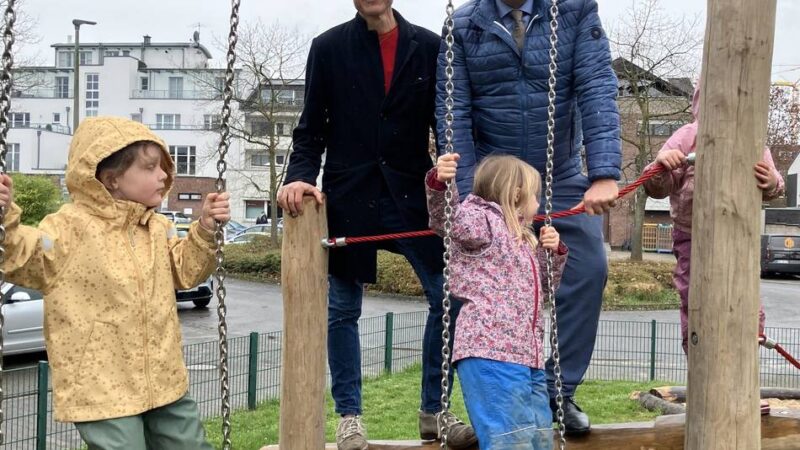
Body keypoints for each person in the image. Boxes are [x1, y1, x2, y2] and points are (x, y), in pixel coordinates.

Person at [277, 1, 476, 448]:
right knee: (343, 311)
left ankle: (435, 410)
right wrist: (299, 177)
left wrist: (458, 185)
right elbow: (310, 130)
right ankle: (350, 417)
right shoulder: (328, 48)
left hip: (413, 195)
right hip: (351, 196)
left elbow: (447, 126)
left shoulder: (429, 46)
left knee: (449, 296)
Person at [438, 0, 622, 434]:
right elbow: (454, 112)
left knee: (587, 267)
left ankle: (561, 388)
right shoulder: (464, 24)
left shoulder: (573, 12)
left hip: (559, 173)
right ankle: (467, 398)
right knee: (478, 281)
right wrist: (467, 196)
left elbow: (596, 84)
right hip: (495, 176)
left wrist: (604, 172)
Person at [0, 117, 230, 450]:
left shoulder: (156, 227)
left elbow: (185, 271)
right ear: (111, 179)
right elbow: (23, 255)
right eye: (150, 168)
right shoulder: (69, 228)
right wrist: (5, 216)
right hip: (101, 385)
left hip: (163, 377)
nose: (164, 175)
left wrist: (206, 227)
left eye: (162, 167)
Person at [426, 153, 567, 449]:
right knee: (509, 440)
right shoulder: (481, 221)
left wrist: (551, 253)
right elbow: (448, 221)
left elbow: (544, 287)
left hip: (526, 357)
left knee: (540, 439)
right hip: (490, 352)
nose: (538, 204)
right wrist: (442, 183)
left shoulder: (522, 240)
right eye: (535, 196)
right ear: (517, 195)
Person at [643, 84, 784, 354]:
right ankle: (696, 347)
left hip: (738, 235)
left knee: (745, 295)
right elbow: (658, 187)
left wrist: (771, 182)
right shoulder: (688, 136)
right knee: (694, 293)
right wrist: (661, 165)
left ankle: (747, 347)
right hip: (692, 235)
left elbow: (774, 184)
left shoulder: (752, 140)